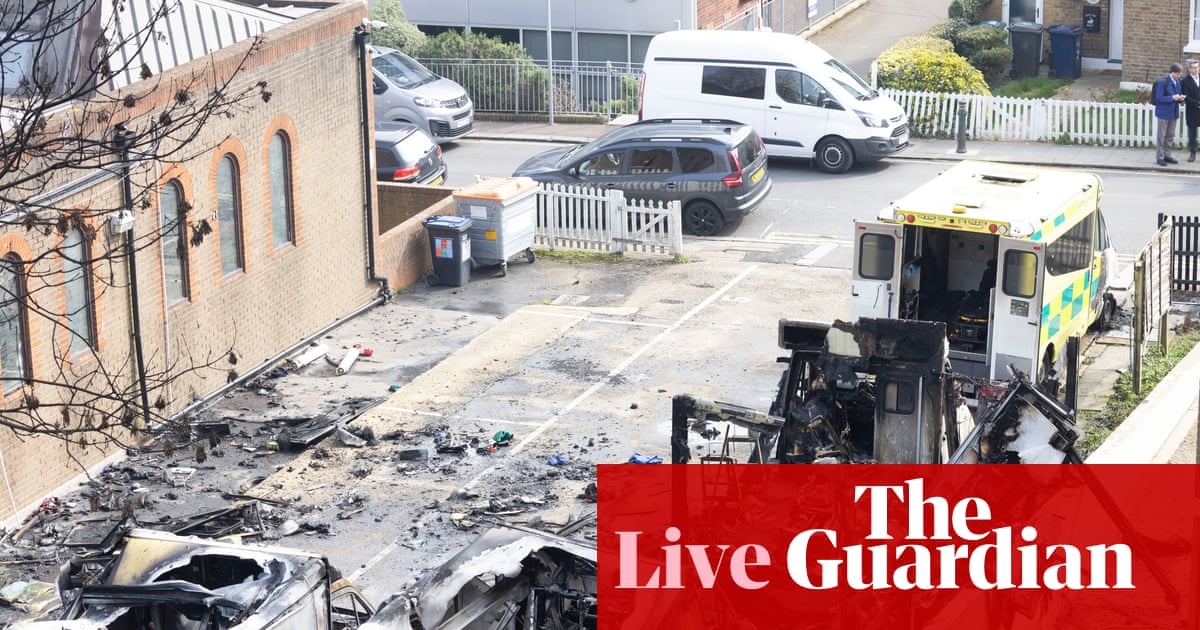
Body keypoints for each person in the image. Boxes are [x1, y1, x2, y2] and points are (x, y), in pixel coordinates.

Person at [1154, 62, 1186, 166]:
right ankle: (1160, 157)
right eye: (1178, 74)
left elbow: (1178, 95)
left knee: (1170, 136)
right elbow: (1159, 98)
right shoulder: (1163, 82)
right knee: (1161, 136)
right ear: (1172, 72)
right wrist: (1172, 98)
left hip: (1174, 112)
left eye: (1180, 74)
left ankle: (1167, 155)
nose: (1179, 76)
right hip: (1163, 113)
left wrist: (1180, 98)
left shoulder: (1178, 82)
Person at [1184, 60, 1200, 162]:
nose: (1196, 69)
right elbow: (1186, 96)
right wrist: (1198, 104)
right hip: (1192, 110)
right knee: (1192, 134)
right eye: (1193, 67)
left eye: (1197, 67)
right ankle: (1192, 153)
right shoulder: (1185, 81)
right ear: (1189, 69)